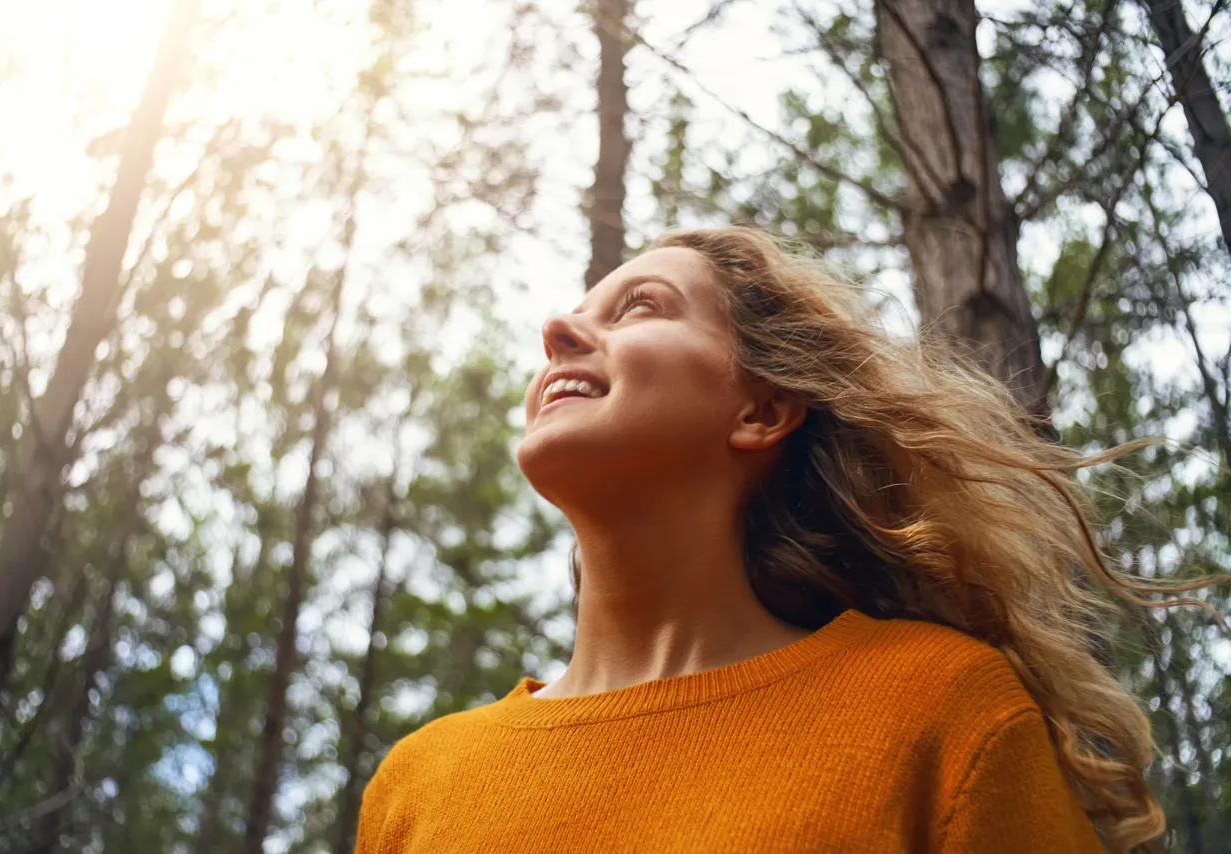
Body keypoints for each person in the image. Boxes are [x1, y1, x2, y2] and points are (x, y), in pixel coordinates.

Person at [353, 227, 1225, 853]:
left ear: (763, 410)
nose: (558, 333)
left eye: (640, 307)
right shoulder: (420, 783)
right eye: (577, 316)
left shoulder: (936, 709)